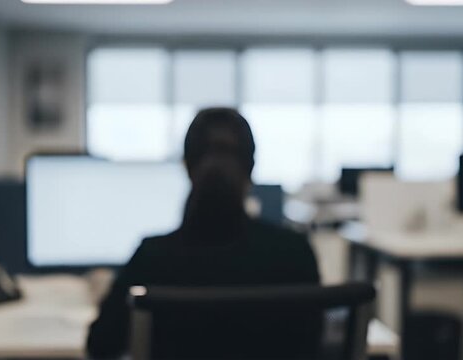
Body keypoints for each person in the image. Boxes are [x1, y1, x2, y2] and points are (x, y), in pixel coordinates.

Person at [86, 108, 321, 359]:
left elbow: (100, 345)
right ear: (251, 168)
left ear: (186, 167)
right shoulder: (295, 254)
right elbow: (312, 345)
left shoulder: (152, 258)